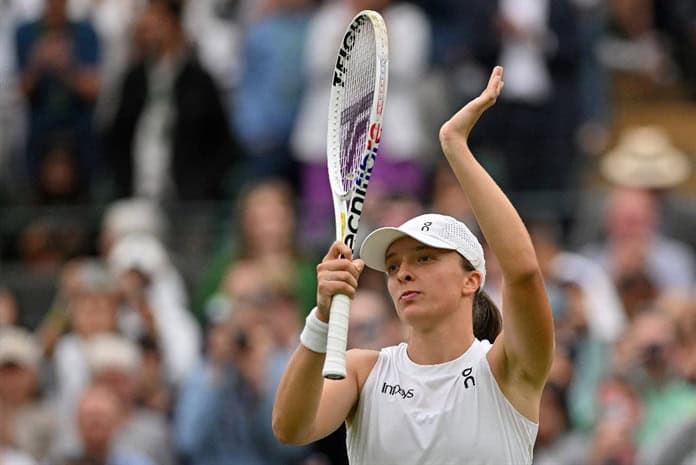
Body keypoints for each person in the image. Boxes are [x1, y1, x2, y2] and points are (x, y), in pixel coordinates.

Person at [272, 67, 554, 464]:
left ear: (471, 280)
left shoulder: (506, 369)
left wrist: (454, 146)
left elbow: (524, 273)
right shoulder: (363, 371)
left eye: (424, 258)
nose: (403, 272)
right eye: (392, 265)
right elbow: (290, 428)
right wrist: (321, 317)